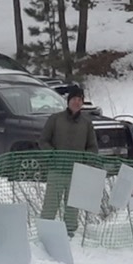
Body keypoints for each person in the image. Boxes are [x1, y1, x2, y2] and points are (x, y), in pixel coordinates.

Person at [38, 83, 99, 236]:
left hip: (76, 172)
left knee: (72, 207)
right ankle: (45, 232)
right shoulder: (55, 119)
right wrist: (52, 154)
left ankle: (70, 234)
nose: (76, 102)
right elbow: (43, 141)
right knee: (51, 204)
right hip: (57, 169)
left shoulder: (86, 123)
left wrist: (85, 160)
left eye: (80, 99)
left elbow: (92, 147)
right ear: (68, 100)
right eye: (74, 99)